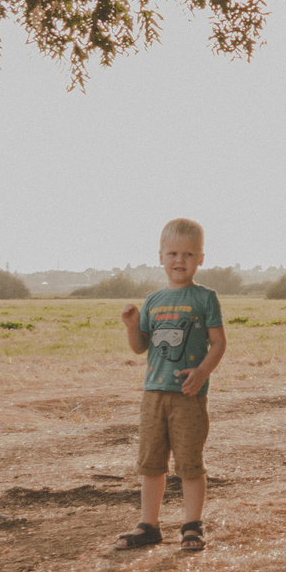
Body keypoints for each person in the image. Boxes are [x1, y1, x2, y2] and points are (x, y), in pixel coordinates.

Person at [112, 218, 226, 552]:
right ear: (160, 256)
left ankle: (192, 525)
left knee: (190, 463)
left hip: (188, 396)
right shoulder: (153, 300)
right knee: (151, 463)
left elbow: (218, 343)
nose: (180, 260)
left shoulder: (206, 298)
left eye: (189, 254)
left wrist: (202, 372)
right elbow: (140, 346)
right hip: (153, 395)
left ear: (201, 259)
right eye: (173, 253)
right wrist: (132, 325)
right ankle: (149, 525)